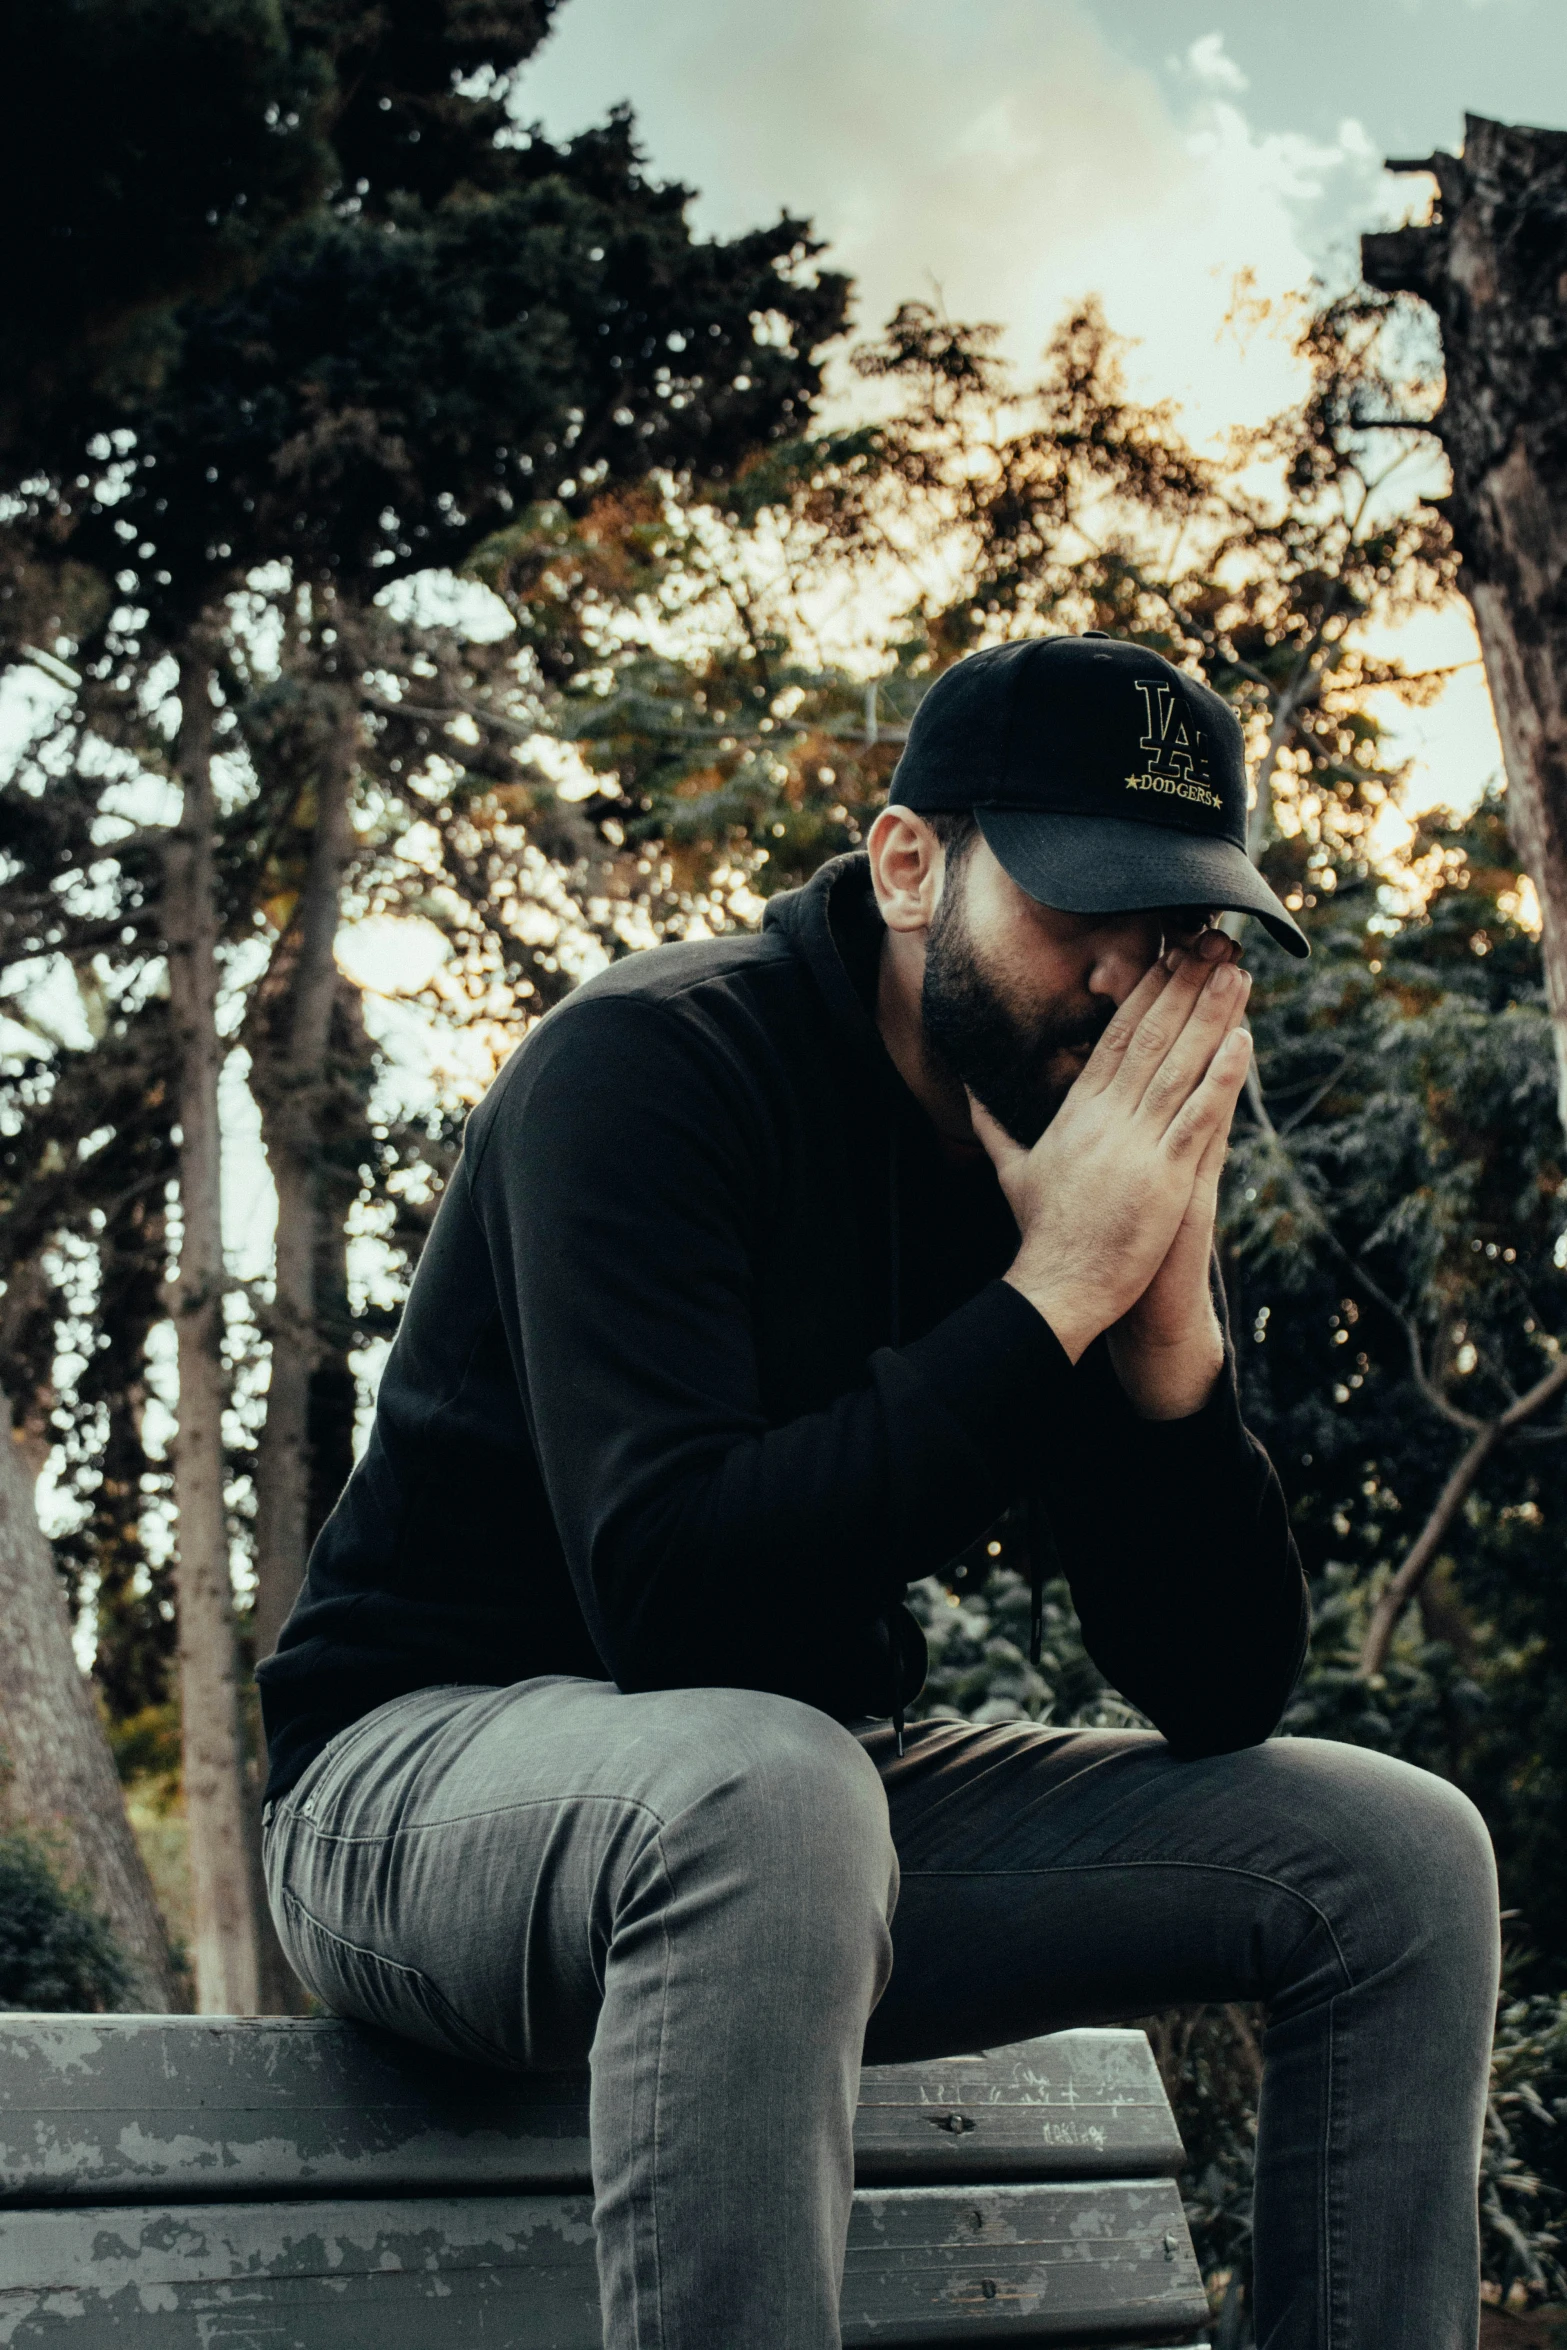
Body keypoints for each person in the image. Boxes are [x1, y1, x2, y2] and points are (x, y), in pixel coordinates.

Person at [257, 634, 1500, 2350]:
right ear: (910, 862)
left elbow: (1218, 1685)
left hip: (788, 1830)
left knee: (1395, 1857)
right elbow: (677, 1596)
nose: (1131, 978)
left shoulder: (1049, 1148)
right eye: (1087, 909)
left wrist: (1162, 1327)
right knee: (771, 1785)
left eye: (1182, 929)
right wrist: (1051, 1288)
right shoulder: (650, 1067)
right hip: (411, 1798)